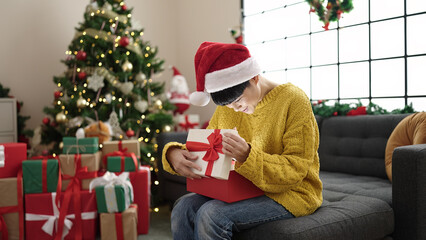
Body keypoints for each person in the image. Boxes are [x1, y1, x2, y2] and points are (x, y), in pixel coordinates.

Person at [162, 42, 323, 239]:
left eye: (238, 102)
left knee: (211, 214)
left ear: (254, 77)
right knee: (183, 208)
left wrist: (248, 156)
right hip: (245, 188)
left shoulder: (293, 100)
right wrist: (174, 154)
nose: (236, 109)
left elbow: (297, 168)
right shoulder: (228, 107)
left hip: (293, 192)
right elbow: (208, 148)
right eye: (229, 106)